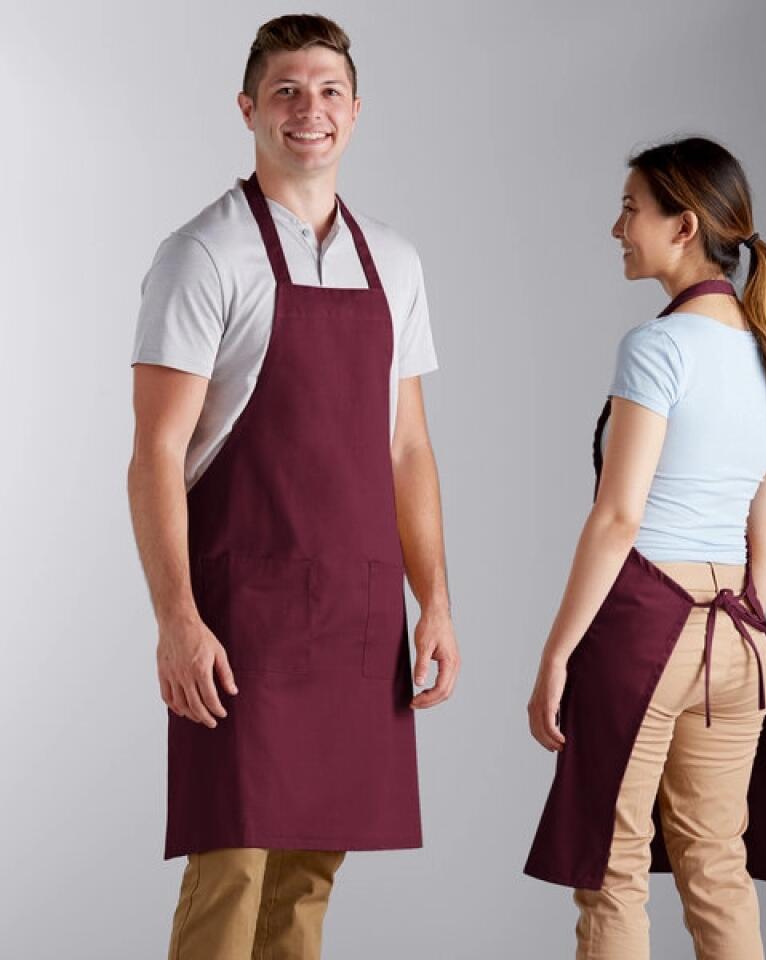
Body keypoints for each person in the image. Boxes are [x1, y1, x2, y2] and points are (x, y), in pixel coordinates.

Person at [126, 14, 460, 959]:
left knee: (312, 872)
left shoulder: (394, 261)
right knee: (232, 864)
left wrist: (434, 601)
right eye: (285, 91)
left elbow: (407, 449)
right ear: (248, 109)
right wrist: (176, 618)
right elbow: (155, 453)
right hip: (242, 612)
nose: (308, 110)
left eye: (327, 91)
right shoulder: (203, 254)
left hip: (356, 609)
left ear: (355, 111)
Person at [523, 136, 766, 960]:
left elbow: (619, 517)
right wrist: (742, 622)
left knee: (612, 870)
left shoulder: (658, 347)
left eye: (630, 210)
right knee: (717, 866)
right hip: (742, 633)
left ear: (684, 227)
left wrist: (557, 654)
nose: (618, 228)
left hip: (647, 623)